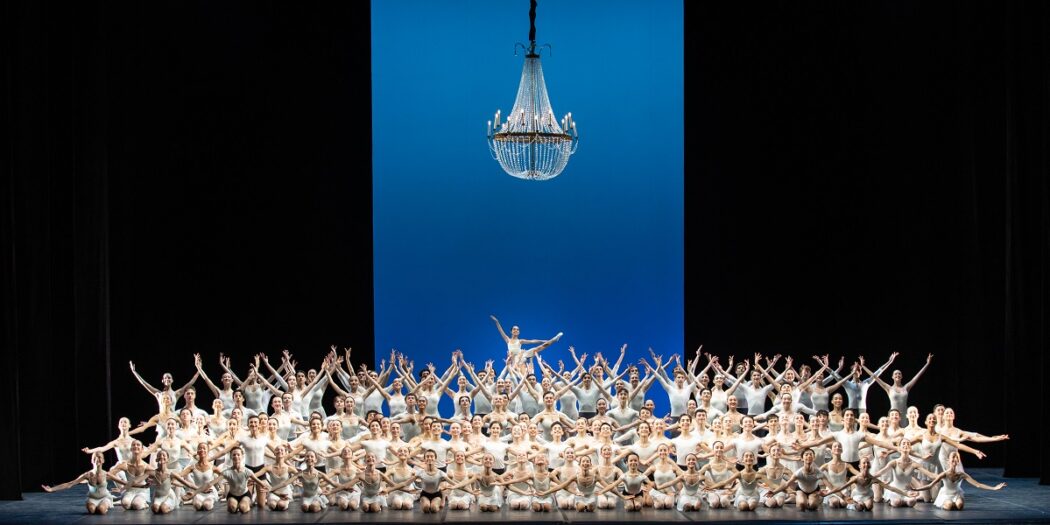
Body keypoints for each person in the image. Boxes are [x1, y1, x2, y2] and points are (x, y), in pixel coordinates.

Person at [914, 451, 1006, 510]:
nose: (954, 459)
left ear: (958, 461)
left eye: (956, 458)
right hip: (946, 494)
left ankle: (955, 502)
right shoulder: (944, 474)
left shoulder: (961, 474)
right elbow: (930, 485)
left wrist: (994, 488)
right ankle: (948, 503)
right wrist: (916, 489)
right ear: (948, 461)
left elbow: (977, 484)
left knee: (959, 506)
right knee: (949, 506)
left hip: (956, 494)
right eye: (952, 457)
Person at [41, 452, 124, 514]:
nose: (97, 459)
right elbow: (70, 484)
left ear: (103, 460)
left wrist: (122, 489)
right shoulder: (87, 475)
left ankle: (109, 502)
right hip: (92, 498)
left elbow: (124, 482)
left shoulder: (106, 474)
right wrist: (52, 489)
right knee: (92, 510)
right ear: (92, 460)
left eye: (99, 457)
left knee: (101, 510)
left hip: (104, 497)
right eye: (95, 457)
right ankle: (104, 502)